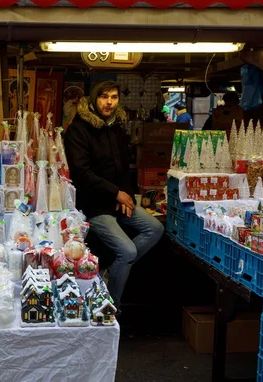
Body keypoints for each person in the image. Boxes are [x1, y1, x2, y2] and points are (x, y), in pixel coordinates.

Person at [63, 81, 165, 309]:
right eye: (104, 97)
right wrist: (116, 193)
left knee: (155, 228)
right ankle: (111, 305)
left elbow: (124, 167)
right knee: (127, 250)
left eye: (114, 97)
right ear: (93, 99)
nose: (109, 102)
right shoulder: (78, 129)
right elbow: (81, 173)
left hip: (118, 201)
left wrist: (127, 194)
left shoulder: (116, 128)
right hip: (94, 205)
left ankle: (112, 270)